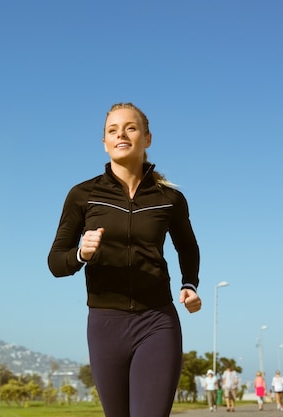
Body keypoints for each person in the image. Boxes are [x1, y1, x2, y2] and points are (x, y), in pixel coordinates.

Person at [47, 102, 202, 417]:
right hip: (105, 324)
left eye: (130, 128)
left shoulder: (169, 198)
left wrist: (189, 284)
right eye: (112, 130)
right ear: (104, 143)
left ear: (147, 138)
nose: (121, 135)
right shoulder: (83, 195)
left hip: (157, 321)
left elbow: (187, 246)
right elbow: (55, 261)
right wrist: (81, 254)